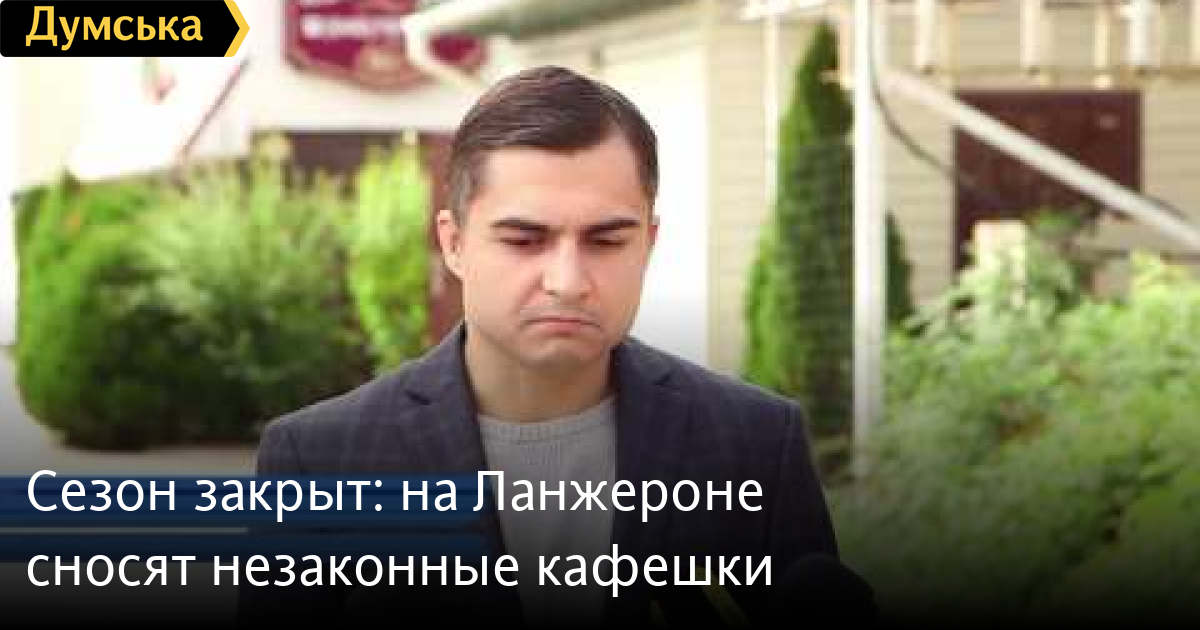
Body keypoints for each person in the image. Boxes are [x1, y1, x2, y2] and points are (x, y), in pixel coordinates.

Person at [238, 65, 866, 629]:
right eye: (524, 239)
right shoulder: (318, 461)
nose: (567, 281)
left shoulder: (756, 445)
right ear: (454, 244)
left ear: (648, 243)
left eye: (606, 240)